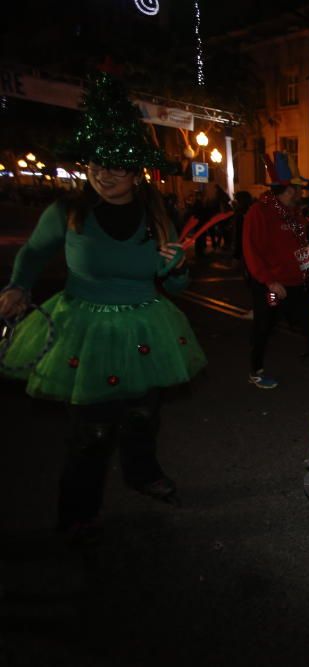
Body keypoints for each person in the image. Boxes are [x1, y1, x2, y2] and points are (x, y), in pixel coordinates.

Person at [0, 73, 206, 540]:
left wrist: (175, 266)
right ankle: (77, 514)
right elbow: (33, 254)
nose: (103, 173)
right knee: (90, 434)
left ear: (136, 172)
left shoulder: (156, 214)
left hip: (144, 327)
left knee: (141, 417)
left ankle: (141, 473)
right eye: (96, 162)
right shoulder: (67, 211)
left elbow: (177, 282)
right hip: (83, 329)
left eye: (116, 166)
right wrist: (17, 286)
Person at [242, 151, 309, 389]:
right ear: (288, 190)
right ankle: (255, 371)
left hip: (296, 284)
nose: (301, 195)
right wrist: (269, 282)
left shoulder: (293, 214)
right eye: (297, 190)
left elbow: (301, 246)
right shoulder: (259, 212)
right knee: (264, 326)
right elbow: (251, 250)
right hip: (271, 286)